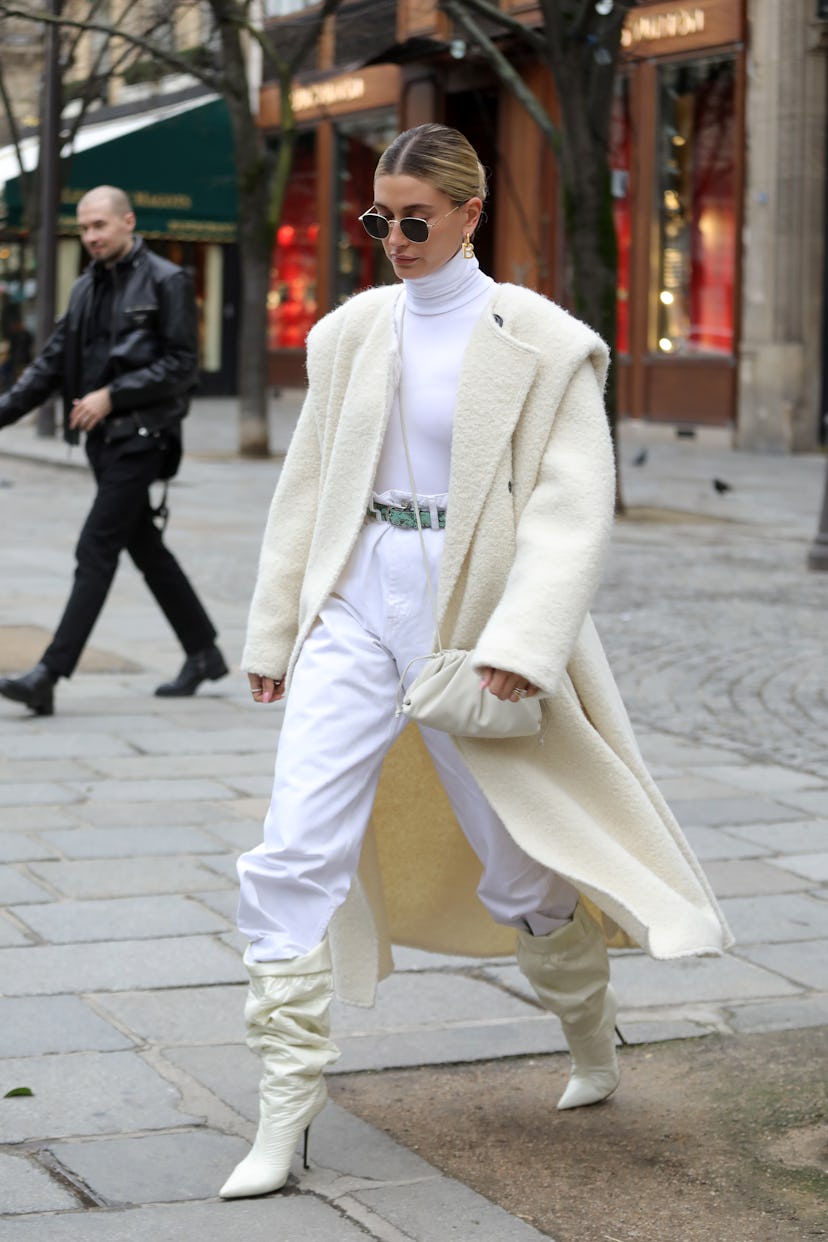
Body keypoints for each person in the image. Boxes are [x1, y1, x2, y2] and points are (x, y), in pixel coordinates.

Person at [219, 124, 732, 1201]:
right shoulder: (349, 332)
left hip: (472, 620)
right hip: (355, 603)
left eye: (415, 220)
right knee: (294, 845)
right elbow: (307, 489)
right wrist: (275, 632)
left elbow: (570, 507)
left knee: (520, 869)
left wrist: (521, 647)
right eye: (377, 219)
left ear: (468, 214)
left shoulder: (545, 342)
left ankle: (590, 1038)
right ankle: (283, 1109)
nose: (394, 239)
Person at [0, 186, 227, 716]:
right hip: (104, 446)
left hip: (144, 438)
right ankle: (204, 652)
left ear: (128, 221)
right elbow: (49, 366)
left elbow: (181, 365)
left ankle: (48, 674)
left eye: (100, 225)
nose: (92, 236)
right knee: (145, 547)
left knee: (95, 548)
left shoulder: (167, 281)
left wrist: (111, 396)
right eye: (84, 228)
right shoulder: (83, 289)